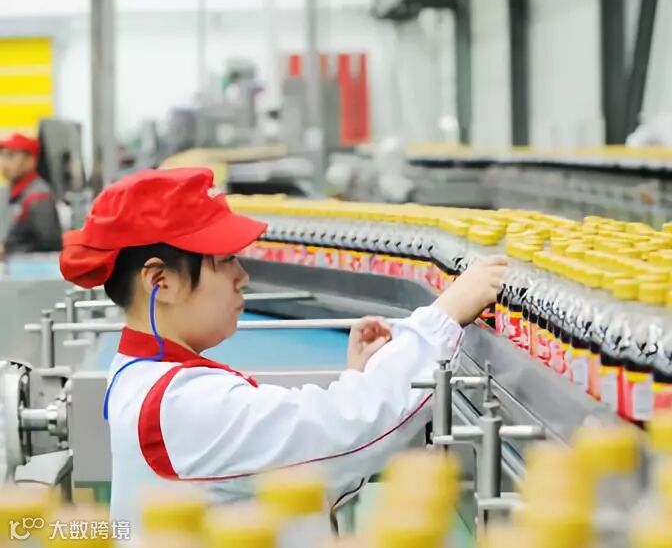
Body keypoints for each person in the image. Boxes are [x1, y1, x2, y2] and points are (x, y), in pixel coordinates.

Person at [58, 167, 506, 527]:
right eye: (225, 261)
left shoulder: (147, 379)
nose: (242, 277)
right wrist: (443, 317)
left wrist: (359, 378)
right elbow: (345, 431)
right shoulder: (178, 403)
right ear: (161, 282)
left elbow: (296, 470)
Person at [0, 133, 62, 259]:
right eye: (2, 155)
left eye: (11, 156)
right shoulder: (10, 191)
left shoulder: (38, 196)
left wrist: (6, 250)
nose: (4, 163)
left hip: (29, 267)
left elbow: (50, 244)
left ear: (30, 161)